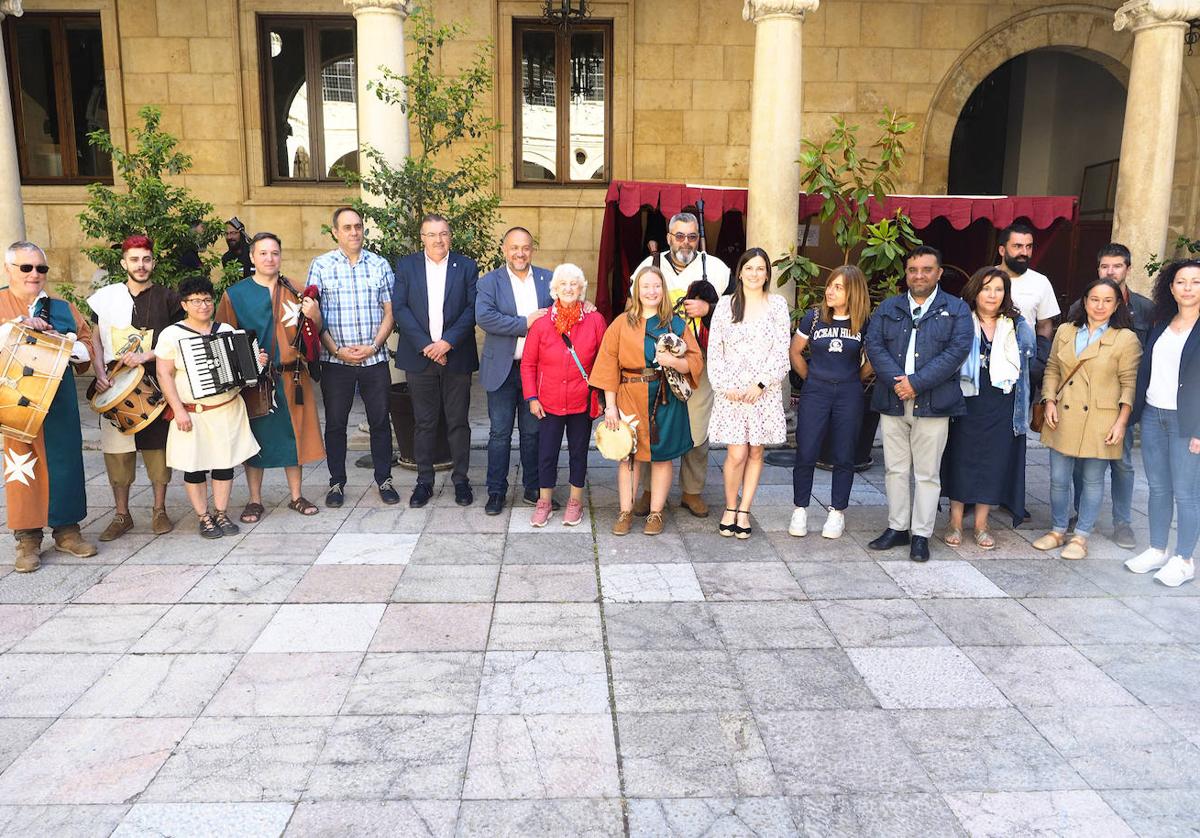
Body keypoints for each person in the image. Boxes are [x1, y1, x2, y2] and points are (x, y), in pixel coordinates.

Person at [864, 245, 973, 562]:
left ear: (939, 272)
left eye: (926, 269)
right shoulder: (888, 307)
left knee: (927, 473)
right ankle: (897, 528)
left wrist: (917, 382)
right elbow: (875, 345)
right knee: (895, 470)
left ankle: (921, 534)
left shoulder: (956, 310)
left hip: (934, 402)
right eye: (913, 270)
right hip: (893, 399)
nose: (919, 275)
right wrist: (900, 381)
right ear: (906, 274)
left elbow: (956, 353)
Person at [0, 242, 96, 571]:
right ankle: (27, 538)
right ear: (8, 269)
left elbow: (86, 348)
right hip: (16, 401)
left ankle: (67, 531)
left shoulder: (62, 307)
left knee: (65, 461)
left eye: (40, 268)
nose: (34, 274)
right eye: (26, 268)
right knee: (21, 465)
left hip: (58, 398)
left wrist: (60, 341)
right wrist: (17, 329)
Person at [217, 232, 325, 523]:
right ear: (252, 258)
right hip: (256, 381)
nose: (269, 258)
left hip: (293, 378)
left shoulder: (296, 290)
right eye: (263, 253)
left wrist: (314, 314)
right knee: (256, 438)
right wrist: (247, 365)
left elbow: (315, 331)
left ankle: (296, 495)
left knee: (295, 437)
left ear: (281, 256)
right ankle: (255, 500)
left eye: (274, 253)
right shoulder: (235, 294)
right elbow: (224, 337)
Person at [630, 212, 730, 519]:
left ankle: (692, 490)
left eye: (691, 236)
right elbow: (632, 305)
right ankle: (649, 490)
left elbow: (731, 309)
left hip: (699, 358)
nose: (685, 242)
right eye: (679, 236)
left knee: (697, 425)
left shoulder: (715, 268)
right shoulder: (649, 266)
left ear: (698, 238)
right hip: (656, 359)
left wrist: (709, 307)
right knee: (653, 422)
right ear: (669, 237)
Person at [1034, 277, 1141, 560]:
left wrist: (1121, 422)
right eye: (1095, 299)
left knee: (1093, 480)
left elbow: (1129, 384)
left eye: (1108, 300)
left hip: (1101, 418)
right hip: (1063, 413)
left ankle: (1081, 536)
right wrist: (1049, 401)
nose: (1100, 306)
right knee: (1058, 478)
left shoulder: (1125, 338)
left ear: (1117, 304)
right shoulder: (1066, 331)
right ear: (1084, 301)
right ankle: (1057, 529)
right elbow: (1053, 369)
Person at [591, 266, 703, 536]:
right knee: (628, 456)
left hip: (664, 398)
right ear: (636, 291)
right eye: (645, 286)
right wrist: (611, 406)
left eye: (656, 286)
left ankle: (655, 514)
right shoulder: (621, 323)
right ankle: (625, 511)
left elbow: (696, 360)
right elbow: (608, 365)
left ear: (662, 290)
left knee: (663, 457)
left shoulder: (676, 323)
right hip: (628, 394)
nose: (651, 291)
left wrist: (674, 361)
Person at [155, 276, 265, 538]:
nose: (203, 305)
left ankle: (221, 513)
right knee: (194, 466)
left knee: (224, 464)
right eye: (195, 301)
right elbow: (164, 375)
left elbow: (243, 371)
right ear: (184, 304)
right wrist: (179, 410)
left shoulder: (225, 329)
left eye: (207, 299)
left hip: (226, 408)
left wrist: (256, 361)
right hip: (193, 412)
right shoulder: (171, 334)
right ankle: (203, 516)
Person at [1065, 243, 1155, 549]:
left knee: (1122, 463)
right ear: (1098, 269)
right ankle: (1081, 514)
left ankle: (1122, 522)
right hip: (1085, 402)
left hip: (1121, 403)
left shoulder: (1145, 309)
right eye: (1105, 266)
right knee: (1081, 460)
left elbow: (1147, 360)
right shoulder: (1081, 307)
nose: (1110, 271)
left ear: (1128, 269)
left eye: (1117, 266)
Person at [88, 235, 178, 541]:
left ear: (153, 262)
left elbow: (177, 339)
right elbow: (95, 339)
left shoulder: (168, 298)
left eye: (146, 259)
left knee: (157, 451)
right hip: (114, 383)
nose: (141, 266)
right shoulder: (107, 298)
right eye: (135, 260)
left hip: (154, 385)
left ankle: (159, 510)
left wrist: (146, 355)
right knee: (117, 453)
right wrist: (99, 372)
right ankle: (122, 515)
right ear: (124, 263)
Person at [940, 267, 1036, 548]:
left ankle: (982, 523)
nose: (992, 295)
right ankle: (955, 521)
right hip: (964, 400)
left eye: (998, 289)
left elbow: (1029, 363)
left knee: (993, 462)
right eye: (986, 288)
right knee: (960, 457)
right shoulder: (959, 319)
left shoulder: (1017, 325)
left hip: (1002, 402)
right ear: (975, 291)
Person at [310, 206, 398, 507]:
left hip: (374, 360)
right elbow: (313, 315)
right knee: (335, 423)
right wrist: (336, 350)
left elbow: (390, 311)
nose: (354, 232)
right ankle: (336, 482)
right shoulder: (321, 266)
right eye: (347, 227)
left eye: (358, 226)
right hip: (336, 361)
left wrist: (373, 346)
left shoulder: (380, 265)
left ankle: (384, 479)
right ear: (335, 232)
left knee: (380, 422)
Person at [392, 213, 479, 508]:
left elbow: (471, 309)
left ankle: (461, 481)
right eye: (431, 234)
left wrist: (446, 343)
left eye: (443, 234)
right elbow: (401, 309)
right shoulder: (407, 266)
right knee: (424, 422)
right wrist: (427, 346)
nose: (438, 240)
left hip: (456, 355)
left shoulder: (466, 266)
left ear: (450, 236)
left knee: (458, 422)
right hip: (421, 356)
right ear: (422, 238)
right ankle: (423, 482)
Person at [1125, 259, 1200, 586]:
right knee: (1158, 488)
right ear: (1170, 287)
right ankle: (1157, 549)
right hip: (1155, 415)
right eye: (1181, 282)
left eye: (1196, 282)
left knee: (1186, 493)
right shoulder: (1161, 323)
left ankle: (1184, 558)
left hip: (1187, 421)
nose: (1188, 288)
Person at [706, 248, 790, 539]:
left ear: (767, 273)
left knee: (756, 450)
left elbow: (782, 350)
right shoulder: (726, 305)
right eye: (749, 268)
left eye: (760, 268)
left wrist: (761, 384)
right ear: (739, 272)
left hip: (763, 393)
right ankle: (730, 506)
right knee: (736, 452)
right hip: (731, 392)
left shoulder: (777, 305)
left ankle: (744, 509)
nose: (755, 274)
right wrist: (725, 385)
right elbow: (715, 350)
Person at [789, 265, 873, 539]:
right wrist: (811, 378)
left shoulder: (863, 321)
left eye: (838, 287)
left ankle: (837, 512)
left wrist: (852, 380)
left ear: (853, 292)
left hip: (848, 392)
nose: (830, 291)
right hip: (816, 391)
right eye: (829, 285)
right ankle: (800, 508)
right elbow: (796, 352)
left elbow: (871, 361)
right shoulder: (814, 317)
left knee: (845, 452)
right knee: (807, 450)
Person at [521, 263, 606, 527]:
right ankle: (544, 501)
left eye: (574, 284)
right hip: (548, 401)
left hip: (583, 400)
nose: (568, 288)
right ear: (554, 289)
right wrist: (532, 397)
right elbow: (528, 364)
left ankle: (575, 502)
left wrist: (605, 399)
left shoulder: (595, 320)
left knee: (578, 452)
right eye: (563, 284)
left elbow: (605, 361)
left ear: (582, 289)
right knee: (546, 453)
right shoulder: (542, 323)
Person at [476, 227, 553, 515]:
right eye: (514, 248)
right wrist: (526, 322)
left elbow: (562, 310)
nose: (520, 253)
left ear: (532, 249)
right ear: (504, 250)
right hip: (502, 370)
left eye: (525, 248)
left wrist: (586, 306)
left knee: (534, 433)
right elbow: (485, 317)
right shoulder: (489, 282)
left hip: (536, 371)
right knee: (499, 433)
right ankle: (496, 491)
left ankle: (534, 489)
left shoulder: (548, 279)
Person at [996, 222, 1059, 344]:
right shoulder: (985, 279)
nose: (1024, 253)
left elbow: (1045, 325)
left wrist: (1040, 358)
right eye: (1017, 246)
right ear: (1002, 250)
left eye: (1029, 246)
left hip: (1026, 356)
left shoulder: (1041, 282)